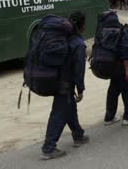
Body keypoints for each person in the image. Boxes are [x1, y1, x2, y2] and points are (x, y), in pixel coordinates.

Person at [41, 11, 88, 160]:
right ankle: (48, 148)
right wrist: (80, 89)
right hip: (65, 84)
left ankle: (78, 135)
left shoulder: (63, 39)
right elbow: (79, 70)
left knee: (69, 108)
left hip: (55, 79)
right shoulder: (79, 44)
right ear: (82, 26)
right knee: (59, 113)